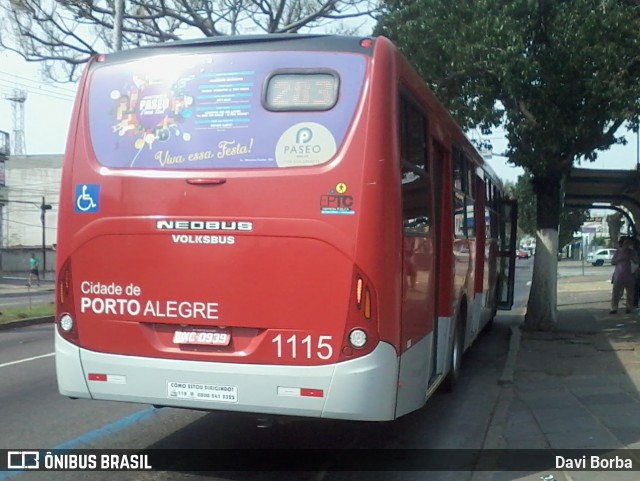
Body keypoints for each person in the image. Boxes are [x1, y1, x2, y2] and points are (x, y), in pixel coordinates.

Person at [610, 237, 638, 314]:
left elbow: (637, 262)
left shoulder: (632, 252)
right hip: (619, 275)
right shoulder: (618, 252)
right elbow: (613, 262)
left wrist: (631, 256)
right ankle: (614, 307)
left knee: (630, 293)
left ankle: (629, 307)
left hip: (630, 275)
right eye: (626, 243)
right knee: (616, 293)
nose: (627, 245)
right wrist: (621, 259)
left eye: (629, 243)